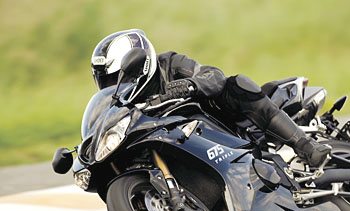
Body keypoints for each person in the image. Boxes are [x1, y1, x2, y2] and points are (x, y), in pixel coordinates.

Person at [91, 29, 331, 167]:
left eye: (119, 78)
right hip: (186, 145)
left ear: (138, 65)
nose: (117, 86)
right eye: (108, 82)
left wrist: (188, 85)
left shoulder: (171, 64)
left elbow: (213, 75)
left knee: (236, 85)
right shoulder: (125, 105)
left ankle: (306, 146)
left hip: (227, 124)